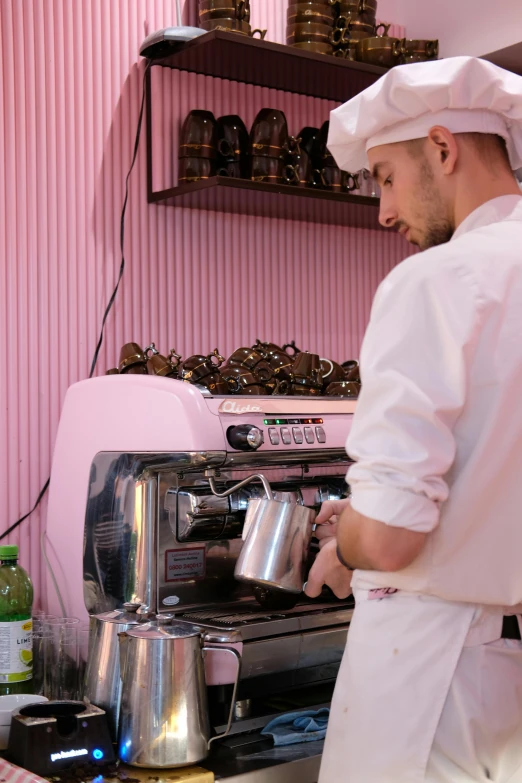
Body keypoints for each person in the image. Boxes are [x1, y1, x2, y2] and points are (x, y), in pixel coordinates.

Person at [304, 56, 522, 782]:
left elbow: (393, 539)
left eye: (388, 178)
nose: (384, 211)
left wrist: (352, 538)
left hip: (433, 674)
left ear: (442, 147)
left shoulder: (436, 280)